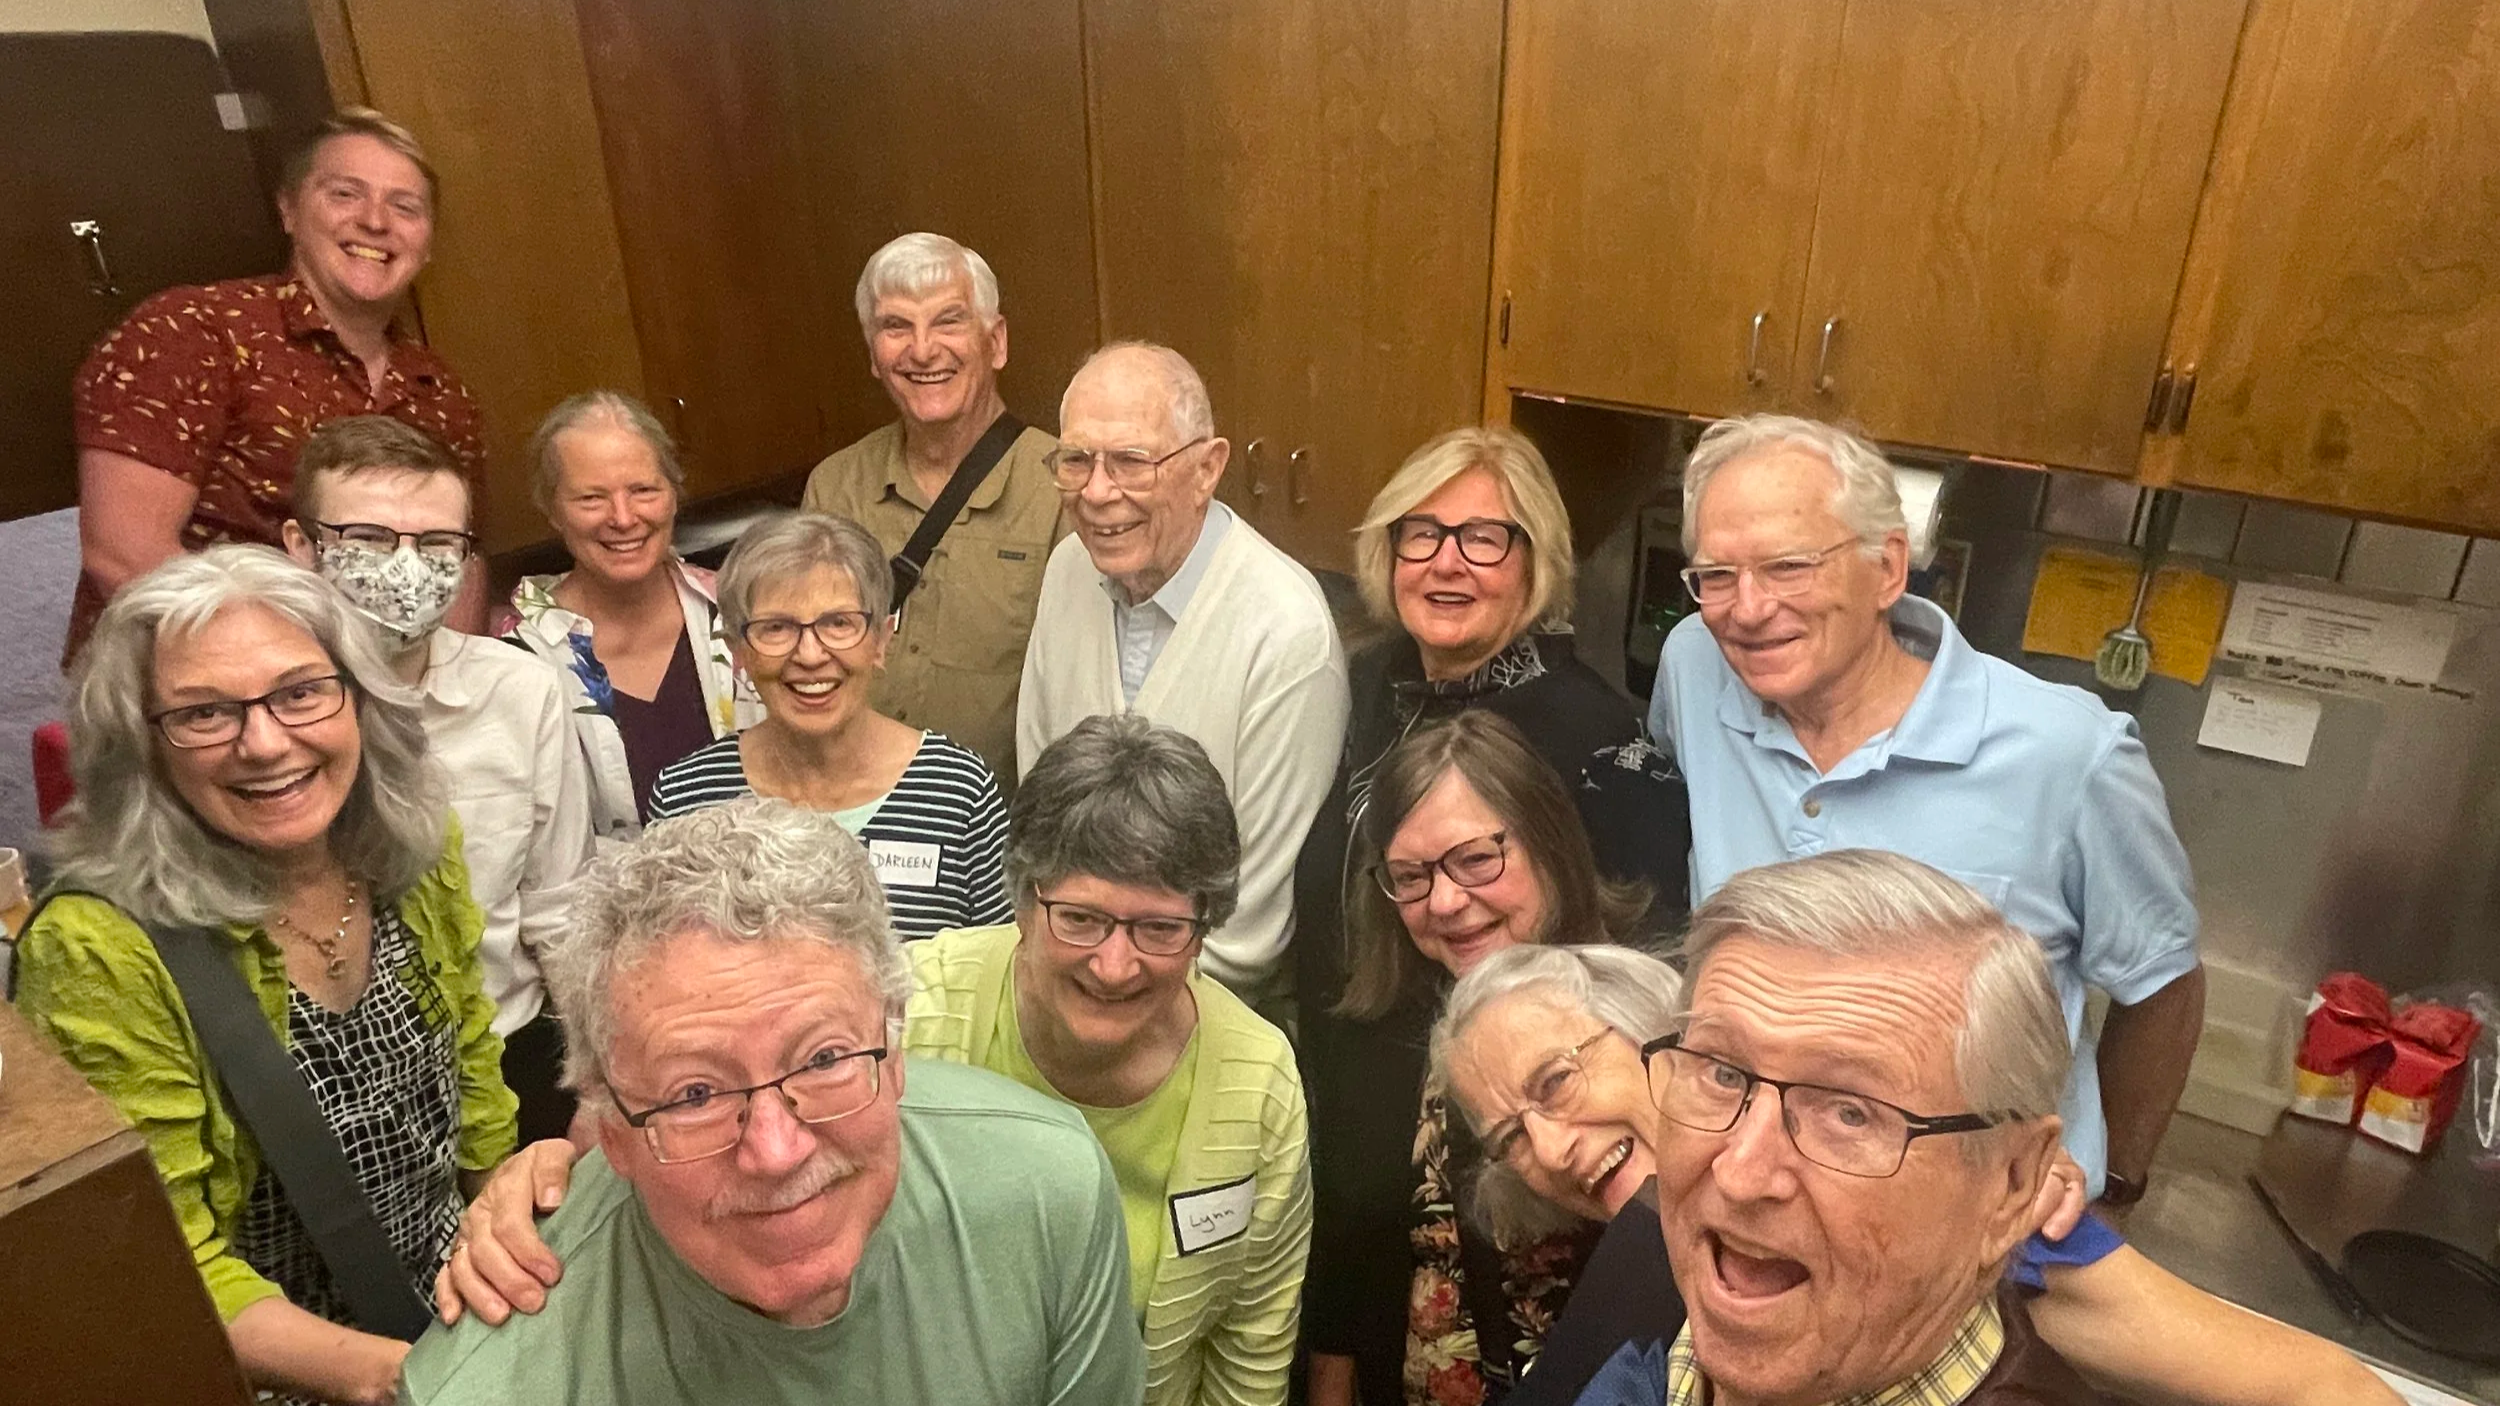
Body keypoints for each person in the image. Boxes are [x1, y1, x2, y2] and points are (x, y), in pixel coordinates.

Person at [441, 716, 1312, 1406]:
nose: (1115, 964)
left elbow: (1252, 1340)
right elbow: (644, 1115)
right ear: (1021, 898)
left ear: (1204, 927)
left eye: (1160, 927)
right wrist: (543, 1181)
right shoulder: (913, 999)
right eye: (1080, 918)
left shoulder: (1257, 1081)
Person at [397, 797, 1146, 1404]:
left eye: (824, 1060)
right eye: (695, 1094)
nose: (776, 1150)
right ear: (611, 1130)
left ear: (894, 1053)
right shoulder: (491, 1385)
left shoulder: (1048, 1195)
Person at [1433, 942, 2405, 1406]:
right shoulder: (1641, 1282)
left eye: (1558, 1081)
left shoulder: (1969, 1218)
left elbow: (2321, 1384)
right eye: (1510, 1135)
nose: (1549, 1147)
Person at [1647, 413, 2205, 1205]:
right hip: (1757, 1182)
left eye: (1789, 567)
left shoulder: (2067, 755)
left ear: (1886, 569)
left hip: (1982, 1223)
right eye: (1716, 575)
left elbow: (2163, 984)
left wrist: (2113, 1186)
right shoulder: (1695, 668)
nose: (1748, 608)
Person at [15, 545, 518, 1406]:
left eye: (300, 692)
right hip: (271, 1374)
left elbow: (476, 1091)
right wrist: (411, 1381)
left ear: (359, 698)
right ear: (142, 745)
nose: (265, 742)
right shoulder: (99, 951)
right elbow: (171, 1264)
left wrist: (517, 1261)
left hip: (454, 1313)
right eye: (204, 712)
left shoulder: (410, 846)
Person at [1303, 710, 1666, 1406]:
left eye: (1475, 860)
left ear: (1547, 842)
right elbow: (1346, 1262)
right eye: (1410, 876)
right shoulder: (1375, 1033)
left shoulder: (1635, 1014)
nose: (1445, 901)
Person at [1295, 424, 1668, 1095]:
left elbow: (1645, 981)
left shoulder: (1600, 741)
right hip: (1338, 1081)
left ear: (1535, 561)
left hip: (1492, 1111)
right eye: (1422, 534)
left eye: (1483, 539)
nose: (1446, 563)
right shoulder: (1371, 683)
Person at [281, 415, 595, 1141]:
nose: (405, 569)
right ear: (301, 546)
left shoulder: (519, 690)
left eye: (436, 544)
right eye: (367, 539)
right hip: (329, 1081)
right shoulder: (260, 720)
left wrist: (597, 1074)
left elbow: (560, 906)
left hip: (506, 1047)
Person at [1017, 341, 1349, 1002]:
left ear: (1207, 469)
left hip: (1207, 1010)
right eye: (1077, 461)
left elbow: (1249, 937)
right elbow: (1038, 823)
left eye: (1131, 462)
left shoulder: (1286, 633)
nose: (1097, 492)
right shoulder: (1067, 572)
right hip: (1065, 986)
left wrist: (1105, 1003)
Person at [645, 511, 1011, 939]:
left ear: (882, 639)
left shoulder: (959, 793)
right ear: (737, 651)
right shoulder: (687, 800)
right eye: (776, 628)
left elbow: (1002, 961)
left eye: (838, 623)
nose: (810, 655)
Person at [800, 233, 1066, 781]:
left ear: (996, 342)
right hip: (858, 809)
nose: (922, 350)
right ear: (873, 354)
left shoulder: (1062, 487)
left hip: (1008, 819)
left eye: (948, 321)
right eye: (896, 326)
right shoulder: (834, 489)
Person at [499, 391, 762, 833]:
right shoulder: (515, 661)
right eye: (591, 498)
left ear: (674, 495)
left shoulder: (746, 614)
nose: (622, 518)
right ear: (552, 511)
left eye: (643, 490)